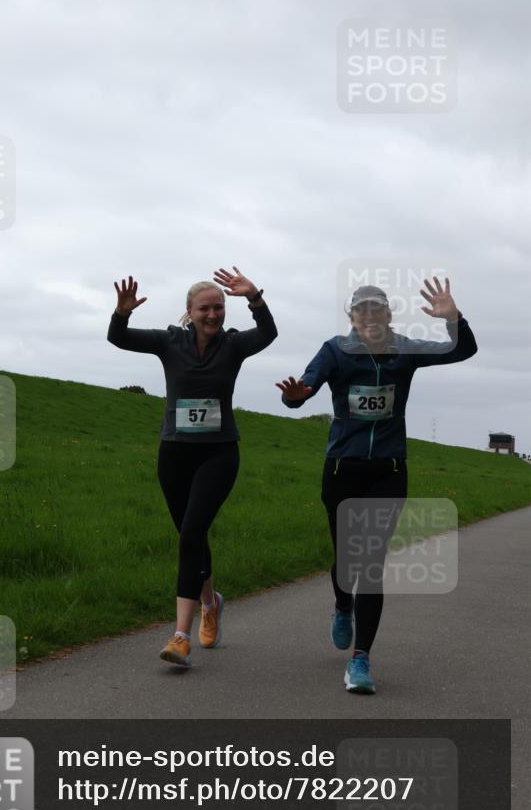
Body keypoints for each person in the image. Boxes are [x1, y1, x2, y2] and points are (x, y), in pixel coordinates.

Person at [276, 278, 477, 693]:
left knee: (369, 563)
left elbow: (462, 350)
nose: (370, 316)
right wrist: (295, 397)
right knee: (346, 562)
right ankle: (341, 604)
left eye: (377, 309)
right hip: (342, 470)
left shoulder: (405, 350)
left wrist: (453, 318)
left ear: (388, 315)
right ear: (352, 317)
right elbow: (305, 387)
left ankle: (360, 660)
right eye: (361, 310)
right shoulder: (335, 349)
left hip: (388, 470)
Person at [108, 267, 277, 668]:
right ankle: (210, 601)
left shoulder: (234, 346)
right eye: (205, 308)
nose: (213, 315)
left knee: (192, 533)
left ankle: (180, 635)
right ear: (190, 311)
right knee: (190, 536)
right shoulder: (170, 342)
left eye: (219, 308)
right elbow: (118, 338)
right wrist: (122, 312)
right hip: (175, 452)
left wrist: (254, 297)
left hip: (219, 453)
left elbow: (268, 334)